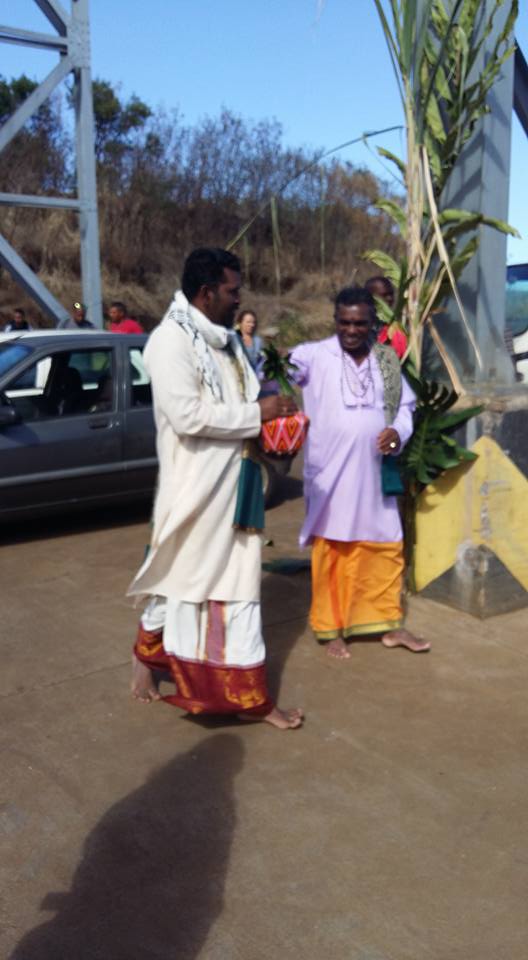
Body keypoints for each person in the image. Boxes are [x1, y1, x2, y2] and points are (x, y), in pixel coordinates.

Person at [128, 247, 304, 730]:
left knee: (238, 590)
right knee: (181, 586)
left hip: (238, 484)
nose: (239, 298)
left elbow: (243, 401)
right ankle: (149, 659)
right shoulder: (169, 343)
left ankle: (250, 698)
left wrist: (270, 413)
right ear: (206, 293)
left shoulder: (226, 340)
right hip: (195, 490)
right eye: (232, 291)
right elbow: (186, 416)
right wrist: (257, 415)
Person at [290, 286, 430, 659]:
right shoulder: (313, 355)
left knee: (384, 544)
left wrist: (397, 432)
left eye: (360, 323)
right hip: (330, 474)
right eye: (344, 322)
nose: (351, 330)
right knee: (333, 547)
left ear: (372, 324)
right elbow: (277, 373)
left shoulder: (385, 359)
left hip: (374, 474)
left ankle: (388, 625)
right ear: (335, 320)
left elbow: (405, 408)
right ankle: (331, 628)